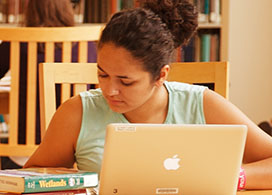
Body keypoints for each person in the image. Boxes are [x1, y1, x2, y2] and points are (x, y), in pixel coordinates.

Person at [24, 0, 272, 190]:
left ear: (161, 75)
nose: (109, 90)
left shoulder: (202, 103)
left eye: (126, 81)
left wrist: (232, 175)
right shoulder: (77, 112)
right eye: (102, 74)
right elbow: (31, 177)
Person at [0, 0, 97, 168]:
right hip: (74, 154)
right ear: (68, 9)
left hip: (22, 156)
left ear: (30, 10)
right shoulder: (88, 44)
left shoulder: (15, 43)